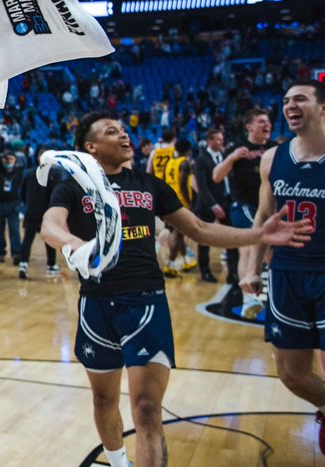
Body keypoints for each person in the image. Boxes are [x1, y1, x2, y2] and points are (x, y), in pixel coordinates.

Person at [42, 111, 309, 467]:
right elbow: (50, 225)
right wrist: (75, 245)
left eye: (124, 130)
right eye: (112, 132)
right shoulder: (73, 186)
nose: (125, 136)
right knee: (103, 402)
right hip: (96, 305)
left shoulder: (149, 184)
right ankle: (120, 462)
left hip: (146, 303)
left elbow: (200, 228)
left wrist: (259, 234)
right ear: (90, 146)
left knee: (148, 409)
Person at [241, 80, 325, 456]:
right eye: (286, 100)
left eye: (300, 99)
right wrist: (252, 268)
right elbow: (263, 217)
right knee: (291, 373)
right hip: (286, 274)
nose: (290, 105)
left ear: (321, 108)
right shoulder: (273, 158)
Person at [216, 108, 276, 305]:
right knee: (251, 249)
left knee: (269, 248)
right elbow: (216, 176)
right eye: (261, 122)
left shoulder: (276, 148)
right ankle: (249, 298)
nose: (266, 125)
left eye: (267, 122)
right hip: (244, 206)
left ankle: (273, 290)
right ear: (249, 126)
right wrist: (232, 158)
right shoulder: (238, 148)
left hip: (271, 206)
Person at [192, 128, 231, 282]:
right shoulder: (201, 160)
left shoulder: (225, 156)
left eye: (222, 139)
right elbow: (202, 186)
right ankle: (205, 271)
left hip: (226, 201)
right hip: (208, 204)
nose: (221, 142)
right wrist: (214, 205)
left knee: (231, 237)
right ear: (210, 140)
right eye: (218, 139)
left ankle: (233, 271)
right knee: (205, 239)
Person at [20, 161, 60, 279]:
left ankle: (23, 264)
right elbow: (57, 194)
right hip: (47, 213)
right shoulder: (55, 174)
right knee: (50, 240)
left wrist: (28, 205)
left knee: (27, 240)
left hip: (31, 212)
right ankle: (51, 265)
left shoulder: (28, 173)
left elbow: (22, 193)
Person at [160, 138, 194, 277]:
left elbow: (162, 181)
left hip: (168, 199)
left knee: (178, 232)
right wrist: (188, 202)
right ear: (188, 150)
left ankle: (185, 260)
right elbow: (182, 183)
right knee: (178, 234)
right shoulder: (185, 163)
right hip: (181, 202)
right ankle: (170, 264)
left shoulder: (169, 163)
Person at [0, 150, 24, 264]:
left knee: (14, 230)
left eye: (11, 159)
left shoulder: (19, 172)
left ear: (15, 161)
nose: (8, 161)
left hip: (13, 204)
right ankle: (1, 252)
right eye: (6, 159)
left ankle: (16, 254)